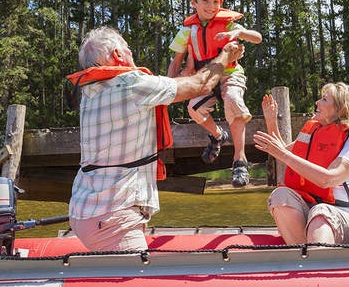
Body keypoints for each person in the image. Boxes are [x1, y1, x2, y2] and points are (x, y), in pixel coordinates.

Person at [66, 26, 244, 251]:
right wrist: (227, 54)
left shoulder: (89, 92)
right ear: (118, 55)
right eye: (128, 49)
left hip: (84, 210)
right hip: (112, 217)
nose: (131, 53)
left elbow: (176, 84)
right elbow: (202, 85)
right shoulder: (130, 84)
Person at [167, 0, 262, 188]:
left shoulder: (228, 23)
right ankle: (218, 136)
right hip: (207, 78)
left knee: (233, 100)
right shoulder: (186, 31)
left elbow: (257, 37)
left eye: (216, 2)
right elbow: (176, 64)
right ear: (194, 3)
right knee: (193, 108)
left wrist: (239, 32)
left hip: (230, 74)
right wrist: (168, 87)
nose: (211, 7)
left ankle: (240, 160)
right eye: (206, 1)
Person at [253, 82, 349, 244]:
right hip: (312, 209)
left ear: (340, 109)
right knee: (280, 196)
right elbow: (283, 152)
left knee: (320, 213)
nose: (317, 102)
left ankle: (314, 259)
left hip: (346, 216)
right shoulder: (314, 133)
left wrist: (282, 153)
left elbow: (327, 180)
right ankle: (303, 251)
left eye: (324, 99)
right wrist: (271, 120)